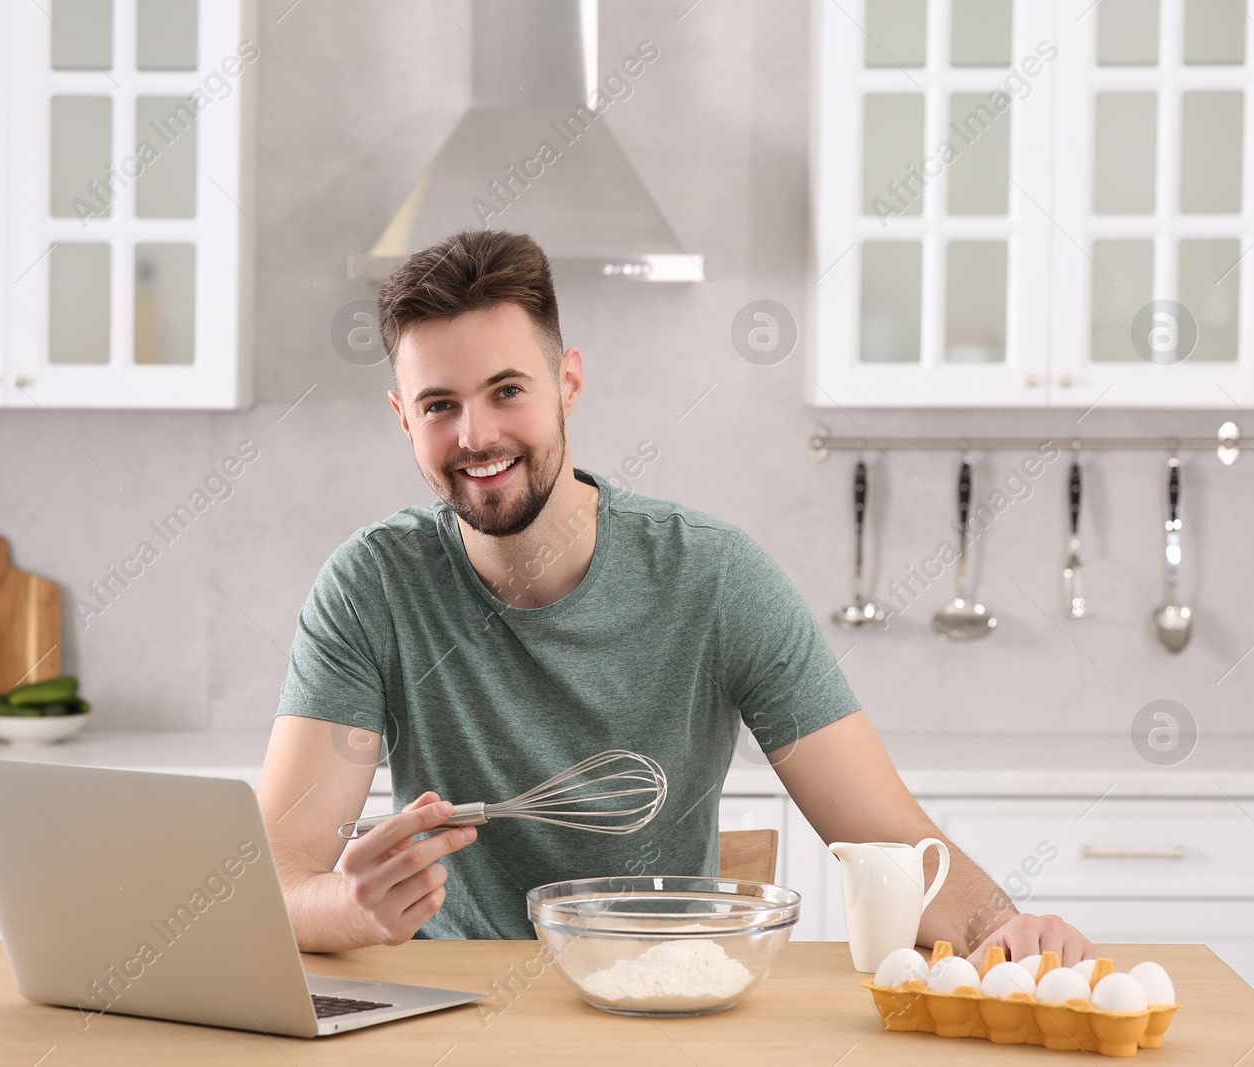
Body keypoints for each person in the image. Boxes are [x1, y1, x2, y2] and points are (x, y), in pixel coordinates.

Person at [257, 229, 1093, 968]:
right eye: (442, 405)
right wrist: (352, 908)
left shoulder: (717, 581)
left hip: (659, 1000)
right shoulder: (371, 588)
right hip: (450, 1010)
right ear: (405, 418)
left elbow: (885, 832)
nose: (476, 435)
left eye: (507, 390)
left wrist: (1004, 929)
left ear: (567, 384)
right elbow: (273, 878)